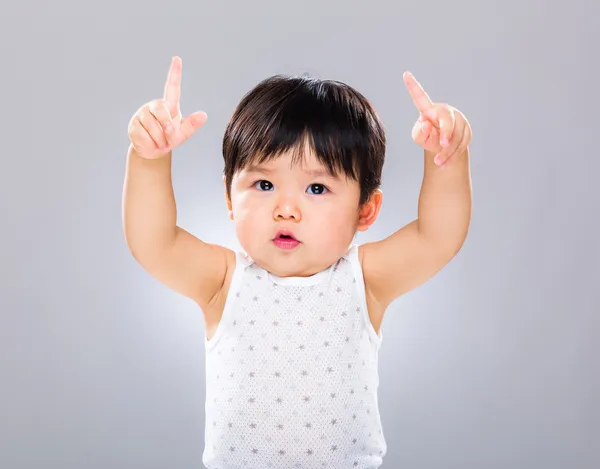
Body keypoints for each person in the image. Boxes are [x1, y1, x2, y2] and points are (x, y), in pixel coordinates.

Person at [122, 56, 472, 469]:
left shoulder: (366, 280)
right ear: (230, 199)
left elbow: (437, 237)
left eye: (317, 187)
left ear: (365, 210)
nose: (286, 209)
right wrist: (148, 158)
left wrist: (447, 157)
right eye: (264, 184)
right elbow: (154, 242)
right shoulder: (222, 281)